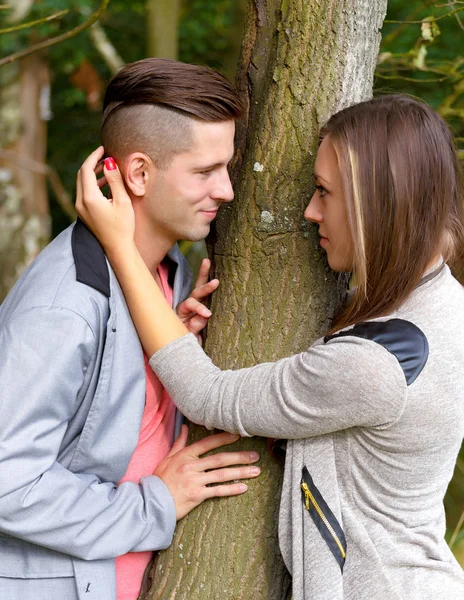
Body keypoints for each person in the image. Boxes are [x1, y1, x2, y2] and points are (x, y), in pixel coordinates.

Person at [77, 94, 464, 600]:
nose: (309, 212)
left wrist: (120, 246)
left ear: (376, 205)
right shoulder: (442, 299)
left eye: (324, 193)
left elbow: (208, 395)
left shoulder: (374, 364)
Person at [0, 58, 262, 600]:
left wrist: (171, 356)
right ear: (139, 174)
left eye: (227, 168)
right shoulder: (65, 307)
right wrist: (155, 504)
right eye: (204, 171)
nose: (227, 191)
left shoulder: (170, 276)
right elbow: (7, 480)